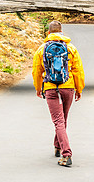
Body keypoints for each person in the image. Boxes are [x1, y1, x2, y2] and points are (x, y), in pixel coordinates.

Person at [32, 20, 85, 167]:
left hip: (50, 87)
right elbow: (78, 70)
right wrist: (79, 89)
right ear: (62, 32)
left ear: (48, 33)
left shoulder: (42, 49)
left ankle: (66, 154)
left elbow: (37, 71)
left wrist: (38, 88)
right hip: (68, 86)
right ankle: (57, 146)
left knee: (58, 121)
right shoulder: (71, 48)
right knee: (63, 119)